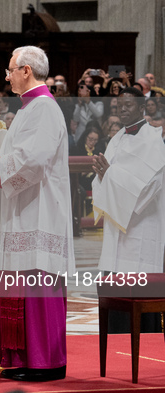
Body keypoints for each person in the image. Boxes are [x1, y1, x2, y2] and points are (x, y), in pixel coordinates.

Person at [0, 46, 75, 382]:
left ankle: (45, 362)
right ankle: (21, 360)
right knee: (21, 286)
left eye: (9, 70)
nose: (6, 76)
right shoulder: (30, 109)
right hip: (24, 211)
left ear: (26, 71)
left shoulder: (44, 109)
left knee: (37, 288)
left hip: (39, 213)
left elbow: (35, 160)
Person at [92, 87, 165, 332]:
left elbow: (148, 188)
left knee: (140, 281)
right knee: (116, 279)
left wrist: (109, 175)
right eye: (119, 106)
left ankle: (146, 333)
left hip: (142, 224)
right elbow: (106, 177)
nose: (122, 110)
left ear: (142, 107)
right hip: (117, 224)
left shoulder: (154, 139)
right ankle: (115, 335)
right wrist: (102, 176)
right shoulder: (117, 137)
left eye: (128, 106)